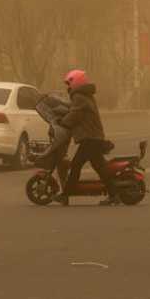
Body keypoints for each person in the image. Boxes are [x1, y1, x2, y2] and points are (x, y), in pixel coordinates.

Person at [55, 69, 116, 206]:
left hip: (90, 138)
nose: (68, 87)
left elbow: (75, 114)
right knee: (99, 167)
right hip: (93, 137)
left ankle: (65, 195)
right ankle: (114, 195)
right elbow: (74, 110)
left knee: (76, 165)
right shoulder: (84, 95)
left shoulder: (79, 97)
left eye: (69, 84)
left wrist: (63, 122)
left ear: (75, 82)